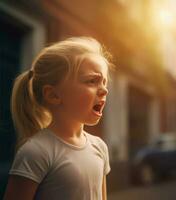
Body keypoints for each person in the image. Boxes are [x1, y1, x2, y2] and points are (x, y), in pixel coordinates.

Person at [4, 37, 111, 200]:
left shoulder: (100, 147)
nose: (104, 90)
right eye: (92, 81)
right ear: (53, 95)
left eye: (104, 82)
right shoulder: (36, 152)